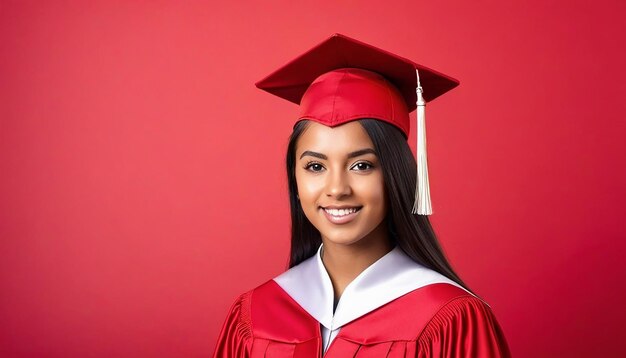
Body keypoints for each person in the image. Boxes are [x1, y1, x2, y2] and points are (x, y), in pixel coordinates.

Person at [212, 33, 511, 357]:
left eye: (361, 165)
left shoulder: (449, 318)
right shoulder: (255, 316)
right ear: (294, 179)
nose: (337, 188)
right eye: (315, 166)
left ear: (397, 175)